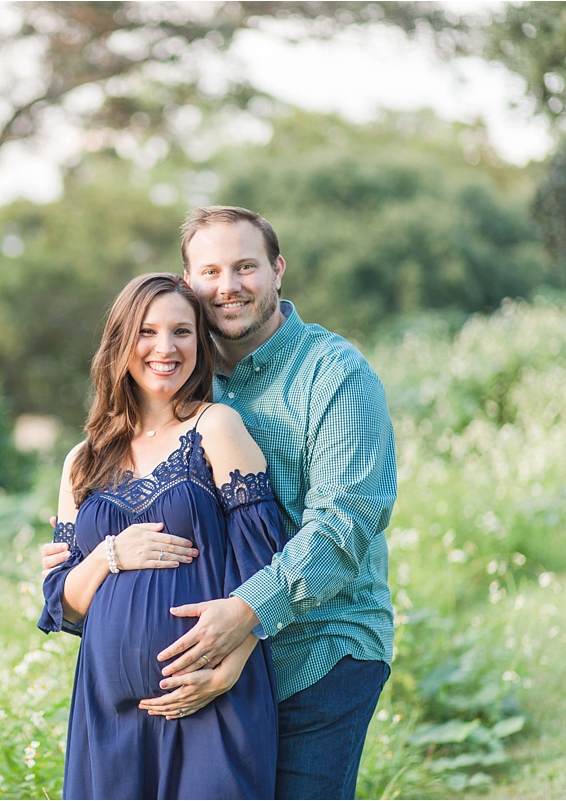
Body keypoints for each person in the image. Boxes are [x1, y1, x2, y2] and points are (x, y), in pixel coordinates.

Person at [42, 207, 398, 800]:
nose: (228, 286)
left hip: (320, 653)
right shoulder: (182, 378)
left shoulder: (333, 374)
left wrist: (244, 625)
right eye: (210, 270)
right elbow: (72, 593)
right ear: (189, 282)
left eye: (245, 266)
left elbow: (346, 523)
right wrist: (96, 555)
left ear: (277, 270)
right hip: (185, 686)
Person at [38, 272, 287, 799]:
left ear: (201, 341)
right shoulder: (81, 462)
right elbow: (64, 605)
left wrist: (229, 667)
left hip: (210, 699)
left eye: (182, 331)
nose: (165, 348)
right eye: (147, 332)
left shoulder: (217, 428)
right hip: (108, 713)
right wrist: (110, 554)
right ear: (121, 343)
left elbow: (267, 571)